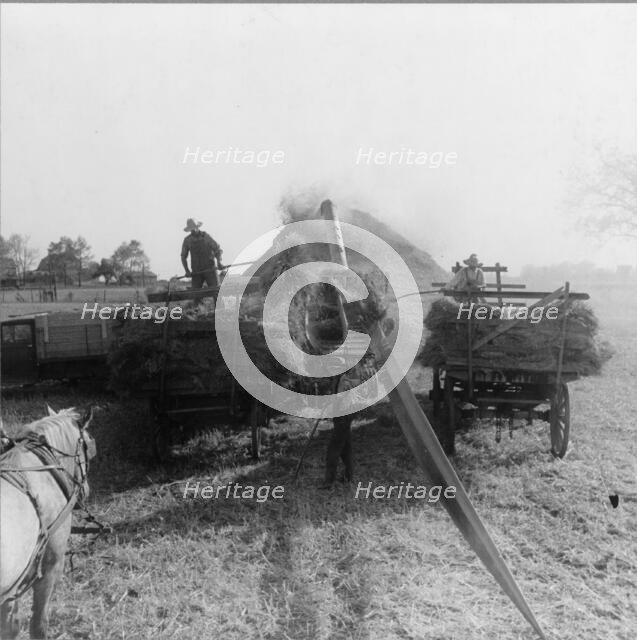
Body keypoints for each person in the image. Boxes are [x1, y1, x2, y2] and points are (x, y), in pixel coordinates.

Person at [181, 219, 224, 291]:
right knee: (196, 296)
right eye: (191, 229)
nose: (193, 231)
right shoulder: (187, 240)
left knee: (216, 293)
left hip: (210, 270)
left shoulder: (206, 237)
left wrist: (219, 262)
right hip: (196, 272)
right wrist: (187, 271)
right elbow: (183, 256)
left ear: (197, 227)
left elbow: (217, 250)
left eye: (194, 228)